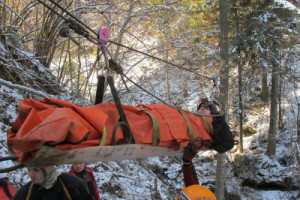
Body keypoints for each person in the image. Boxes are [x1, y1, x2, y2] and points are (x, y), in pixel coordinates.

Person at [176, 99, 234, 200]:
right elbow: (195, 191)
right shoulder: (188, 117)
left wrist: (216, 116)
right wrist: (187, 163)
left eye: (208, 108)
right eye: (201, 107)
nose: (202, 107)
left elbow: (225, 144)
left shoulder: (211, 125)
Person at [13, 166, 93, 200]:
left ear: (47, 170)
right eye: (29, 169)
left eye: (36, 170)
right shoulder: (24, 194)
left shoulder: (73, 185)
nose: (31, 175)